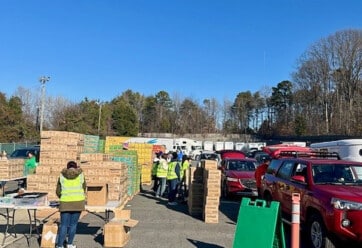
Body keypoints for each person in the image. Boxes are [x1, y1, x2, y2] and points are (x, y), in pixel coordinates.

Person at [56, 161, 86, 248]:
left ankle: (60, 245)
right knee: (73, 224)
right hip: (78, 202)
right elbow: (84, 188)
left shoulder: (62, 176)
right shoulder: (81, 175)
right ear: (76, 167)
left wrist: (63, 196)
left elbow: (58, 191)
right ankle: (69, 244)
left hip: (65, 202)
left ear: (67, 167)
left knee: (64, 225)